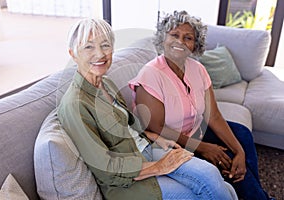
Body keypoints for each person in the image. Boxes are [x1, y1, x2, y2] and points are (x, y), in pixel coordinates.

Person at [57, 18, 238, 200]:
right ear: (73, 54)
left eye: (105, 45)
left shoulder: (106, 83)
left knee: (218, 181)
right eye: (89, 47)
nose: (100, 54)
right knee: (205, 191)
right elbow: (106, 169)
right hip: (127, 180)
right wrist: (159, 166)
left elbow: (126, 125)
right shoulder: (75, 104)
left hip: (146, 149)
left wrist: (153, 137)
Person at [129, 10, 274, 200]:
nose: (180, 41)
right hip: (166, 144)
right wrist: (202, 147)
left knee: (241, 135)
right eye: (174, 35)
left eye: (188, 38)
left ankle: (255, 193)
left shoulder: (197, 69)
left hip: (195, 130)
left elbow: (213, 115)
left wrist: (240, 151)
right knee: (221, 161)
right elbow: (155, 126)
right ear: (163, 38)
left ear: (194, 45)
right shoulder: (150, 74)